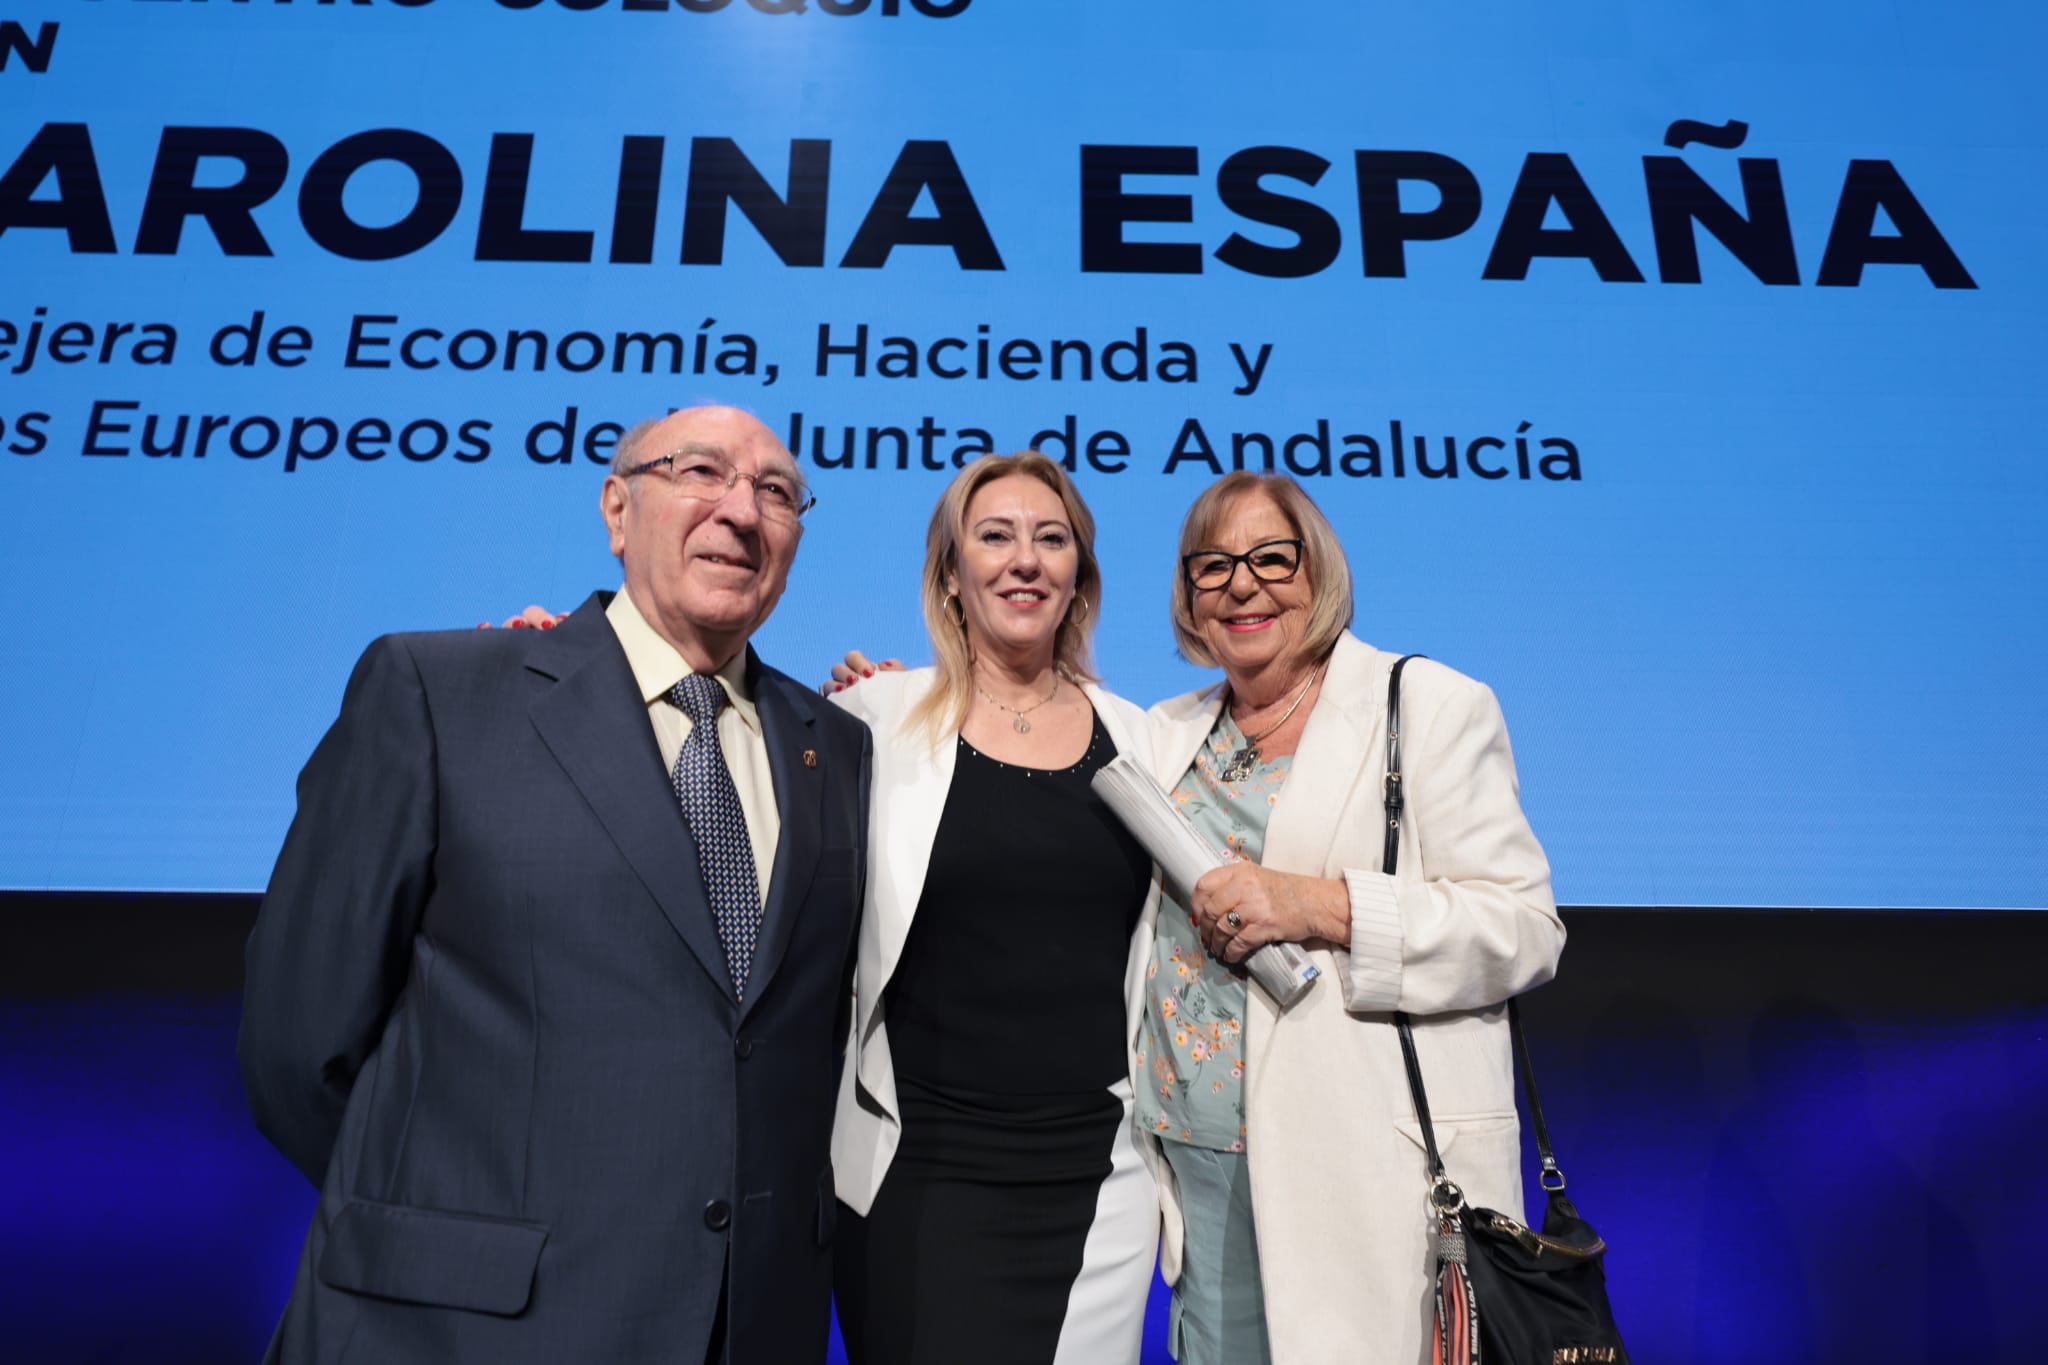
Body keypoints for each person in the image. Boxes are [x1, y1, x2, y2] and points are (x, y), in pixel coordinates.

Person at [239, 405, 872, 1365]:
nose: (742, 510)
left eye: (777, 491)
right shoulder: (440, 690)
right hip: (454, 1329)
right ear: (619, 510)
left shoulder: (837, 744)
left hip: (746, 1328)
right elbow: (298, 1044)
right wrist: (449, 1224)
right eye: (702, 471)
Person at [1138, 471, 1564, 1365]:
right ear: (1187, 594)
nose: (1242, 584)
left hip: (1366, 1180)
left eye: (1270, 558)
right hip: (1202, 1179)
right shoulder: (1165, 733)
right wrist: (901, 704)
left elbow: (1524, 929)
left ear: (1317, 569)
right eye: (1212, 566)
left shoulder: (1430, 706)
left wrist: (1321, 903)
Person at [825, 452, 1160, 1365]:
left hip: (1098, 1174)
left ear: (1079, 579)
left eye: (1052, 540)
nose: (1026, 560)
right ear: (950, 572)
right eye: (996, 536)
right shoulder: (870, 718)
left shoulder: (1147, 738)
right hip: (918, 1172)